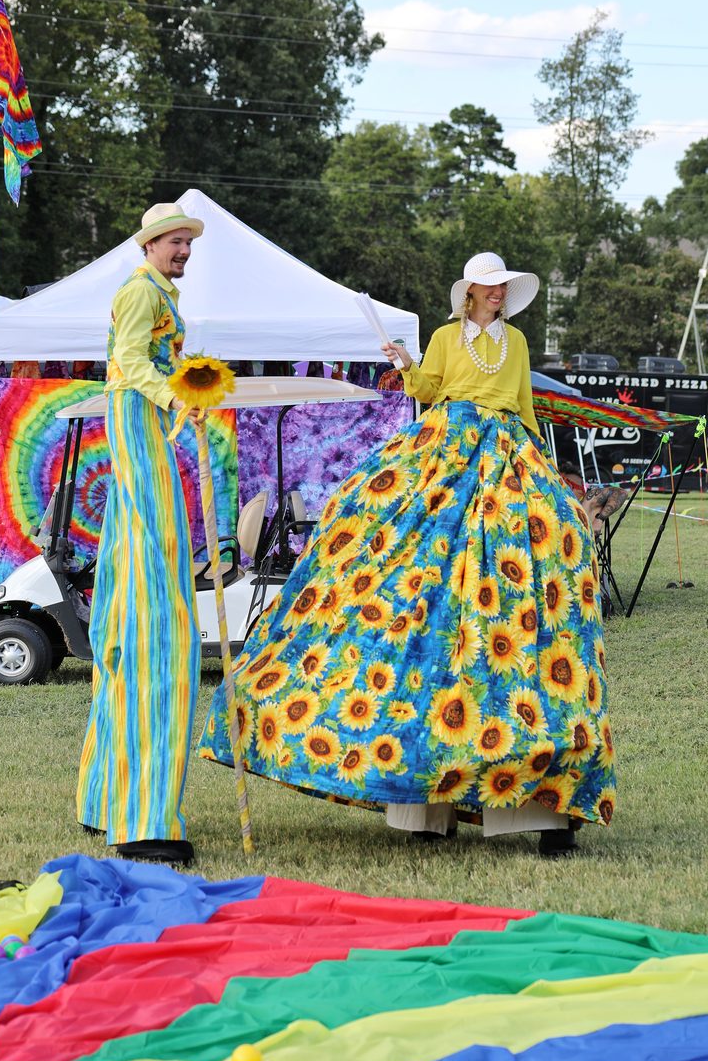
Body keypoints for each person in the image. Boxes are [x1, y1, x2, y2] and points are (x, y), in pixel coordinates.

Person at [199, 251, 616, 856]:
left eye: (503, 287)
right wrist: (407, 367)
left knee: (517, 593)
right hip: (445, 447)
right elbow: (427, 391)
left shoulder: (518, 343)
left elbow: (524, 407)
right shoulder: (447, 337)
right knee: (412, 577)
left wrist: (544, 473)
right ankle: (422, 801)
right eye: (490, 287)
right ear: (469, 291)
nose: (498, 294)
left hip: (506, 457)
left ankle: (534, 800)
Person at [76, 202, 205, 865]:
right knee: (158, 604)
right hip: (136, 418)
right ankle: (143, 812)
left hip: (143, 421)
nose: (183, 250)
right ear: (151, 244)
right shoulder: (137, 292)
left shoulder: (157, 293)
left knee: (130, 590)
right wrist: (176, 397)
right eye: (175, 241)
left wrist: (193, 387)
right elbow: (128, 363)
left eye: (186, 242)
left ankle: (107, 796)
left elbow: (151, 361)